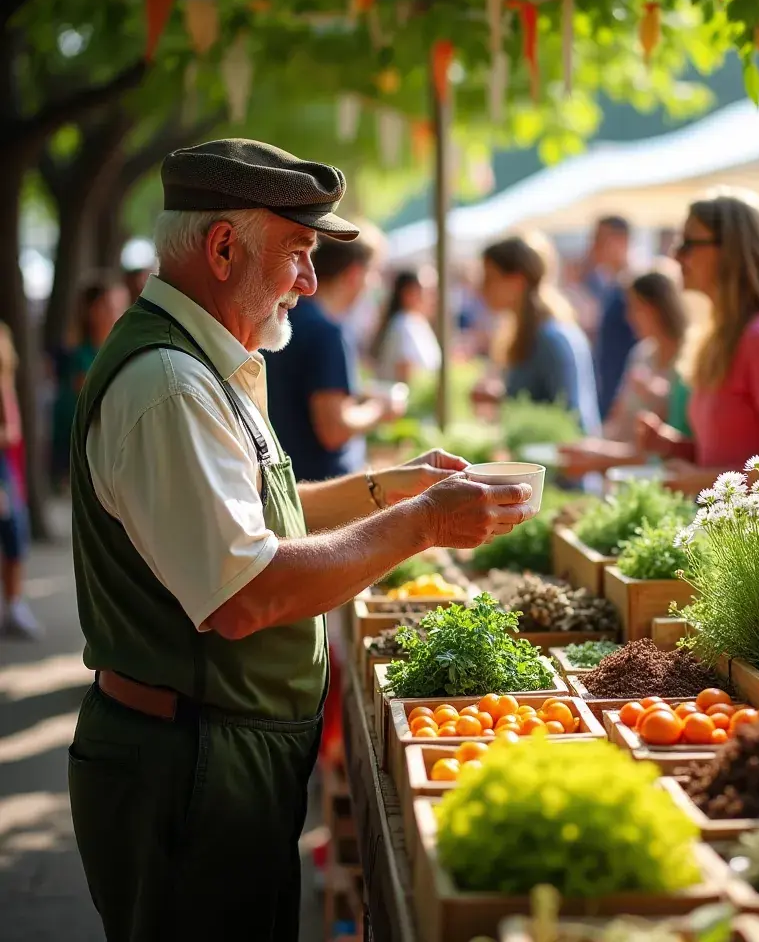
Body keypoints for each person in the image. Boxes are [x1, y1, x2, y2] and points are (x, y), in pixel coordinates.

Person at [68, 138, 535, 942]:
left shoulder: (205, 362)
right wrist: (421, 524)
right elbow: (248, 594)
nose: (311, 284)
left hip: (211, 746)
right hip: (190, 762)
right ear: (222, 248)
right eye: (299, 253)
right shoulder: (172, 384)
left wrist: (393, 484)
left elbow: (264, 514)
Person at [637, 188, 759, 494]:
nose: (676, 254)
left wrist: (701, 481)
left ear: (731, 252)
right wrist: (675, 447)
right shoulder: (718, 335)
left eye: (689, 244)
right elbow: (731, 456)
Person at [265, 226, 403, 483]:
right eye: (372, 273)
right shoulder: (327, 331)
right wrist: (382, 408)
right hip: (323, 484)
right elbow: (334, 428)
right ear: (354, 274)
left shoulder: (289, 319)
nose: (374, 284)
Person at [558, 267, 687, 474]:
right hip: (624, 471)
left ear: (658, 307)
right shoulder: (642, 354)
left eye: (636, 307)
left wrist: (600, 457)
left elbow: (673, 443)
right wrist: (593, 445)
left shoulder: (687, 360)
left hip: (660, 475)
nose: (629, 317)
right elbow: (617, 419)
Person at [472, 233, 600, 434]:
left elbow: (573, 420)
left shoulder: (553, 338)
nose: (481, 288)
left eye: (490, 278)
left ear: (517, 281)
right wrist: (500, 398)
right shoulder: (528, 333)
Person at [50, 275, 127, 491]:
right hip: (85, 455)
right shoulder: (79, 356)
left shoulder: (118, 350)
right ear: (92, 311)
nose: (118, 312)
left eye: (122, 305)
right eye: (110, 306)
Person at [0, 323, 38, 639]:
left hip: (9, 465)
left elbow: (14, 430)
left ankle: (13, 606)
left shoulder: (6, 378)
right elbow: (10, 430)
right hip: (3, 466)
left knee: (15, 534)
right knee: (12, 531)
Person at [589, 216, 639, 420]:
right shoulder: (612, 287)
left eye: (601, 239)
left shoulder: (634, 289)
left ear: (622, 240)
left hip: (626, 405)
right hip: (610, 398)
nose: (594, 246)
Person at [370, 267, 442, 383]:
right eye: (427, 291)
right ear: (408, 294)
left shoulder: (416, 322)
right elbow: (407, 374)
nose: (433, 297)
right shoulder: (403, 325)